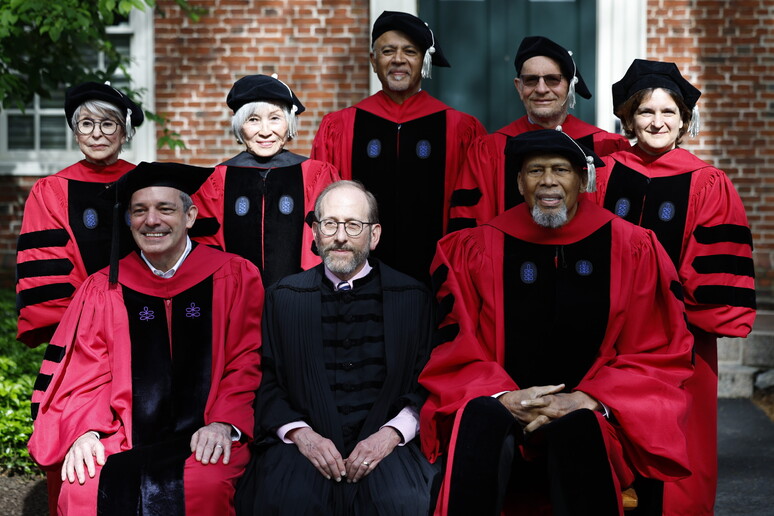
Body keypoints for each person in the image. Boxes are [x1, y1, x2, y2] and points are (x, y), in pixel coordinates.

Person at [419, 129, 693, 515]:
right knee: (481, 417)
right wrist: (504, 397)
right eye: (536, 171)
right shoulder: (474, 249)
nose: (548, 181)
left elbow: (654, 349)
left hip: (591, 414)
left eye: (561, 170)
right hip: (503, 407)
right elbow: (455, 344)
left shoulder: (632, 247)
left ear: (582, 180)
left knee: (580, 428)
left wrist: (587, 399)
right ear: (519, 182)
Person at [28, 162, 264, 516]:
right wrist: (86, 431)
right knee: (82, 488)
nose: (151, 220)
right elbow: (85, 372)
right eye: (139, 211)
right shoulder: (103, 288)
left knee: (205, 487)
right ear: (129, 220)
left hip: (206, 432)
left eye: (165, 209)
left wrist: (222, 423)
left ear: (190, 217)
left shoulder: (234, 276)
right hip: (121, 436)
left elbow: (246, 361)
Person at [590, 59, 756, 516]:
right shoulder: (602, 175)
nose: (657, 122)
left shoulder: (708, 183)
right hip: (610, 337)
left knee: (679, 451)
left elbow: (717, 274)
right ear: (629, 120)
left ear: (684, 121)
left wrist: (664, 311)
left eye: (668, 112)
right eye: (646, 112)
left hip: (681, 342)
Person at [234, 180, 437, 515]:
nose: (340, 236)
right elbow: (265, 382)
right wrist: (301, 434)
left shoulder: (413, 299)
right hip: (302, 446)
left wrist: (390, 434)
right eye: (330, 224)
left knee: (402, 503)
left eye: (353, 225)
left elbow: (426, 383)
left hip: (387, 446)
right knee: (285, 501)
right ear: (315, 233)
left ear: (374, 235)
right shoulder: (283, 298)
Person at [310, 11, 486, 283]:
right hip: (354, 284)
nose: (398, 59)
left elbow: (472, 216)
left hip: (436, 283)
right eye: (388, 51)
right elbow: (323, 209)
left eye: (410, 51)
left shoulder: (459, 129)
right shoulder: (340, 127)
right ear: (373, 60)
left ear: (424, 60)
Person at [448, 36, 630, 230]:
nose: (541, 89)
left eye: (552, 79)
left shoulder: (606, 147)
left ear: (570, 85)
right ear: (519, 87)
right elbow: (471, 229)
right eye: (531, 80)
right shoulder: (489, 150)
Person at [16, 81, 143, 351]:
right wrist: (86, 317)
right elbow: (46, 262)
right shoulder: (52, 190)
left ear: (124, 133)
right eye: (86, 124)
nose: (96, 134)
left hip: (146, 315)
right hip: (81, 326)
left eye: (108, 124)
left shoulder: (146, 183)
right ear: (76, 135)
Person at [192, 74, 339, 287]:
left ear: (288, 123)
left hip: (303, 294)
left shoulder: (315, 174)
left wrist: (308, 290)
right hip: (235, 295)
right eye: (253, 120)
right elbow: (207, 248)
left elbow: (324, 241)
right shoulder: (216, 180)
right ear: (239, 126)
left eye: (275, 118)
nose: (265, 131)